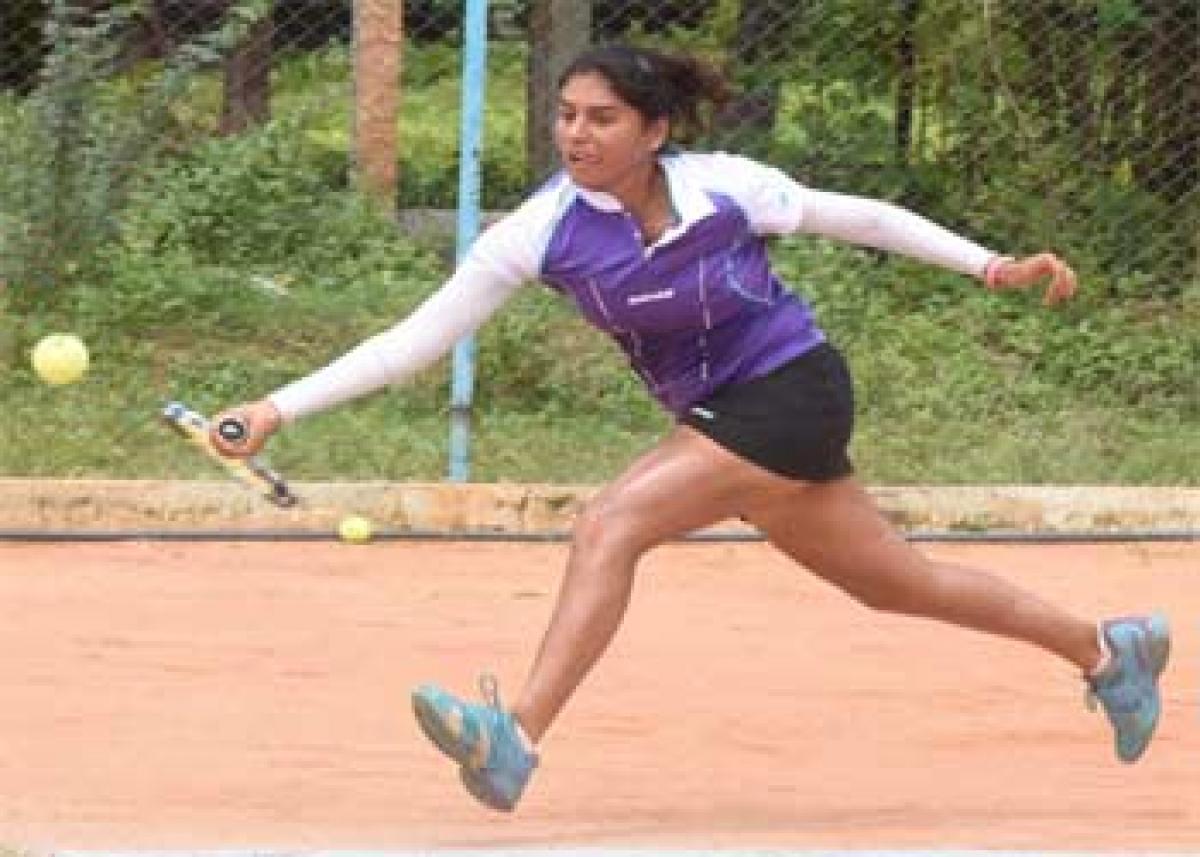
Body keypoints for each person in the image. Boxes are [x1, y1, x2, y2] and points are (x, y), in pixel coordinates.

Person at [211, 43, 1170, 812]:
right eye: (565, 116)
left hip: (794, 385)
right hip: (723, 418)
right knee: (896, 583)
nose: (576, 134)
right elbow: (409, 342)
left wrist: (989, 266)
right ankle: (1105, 648)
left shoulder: (724, 185)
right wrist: (275, 408)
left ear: (653, 129)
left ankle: (518, 738)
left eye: (602, 118)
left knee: (610, 524)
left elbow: (865, 219)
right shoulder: (538, 234)